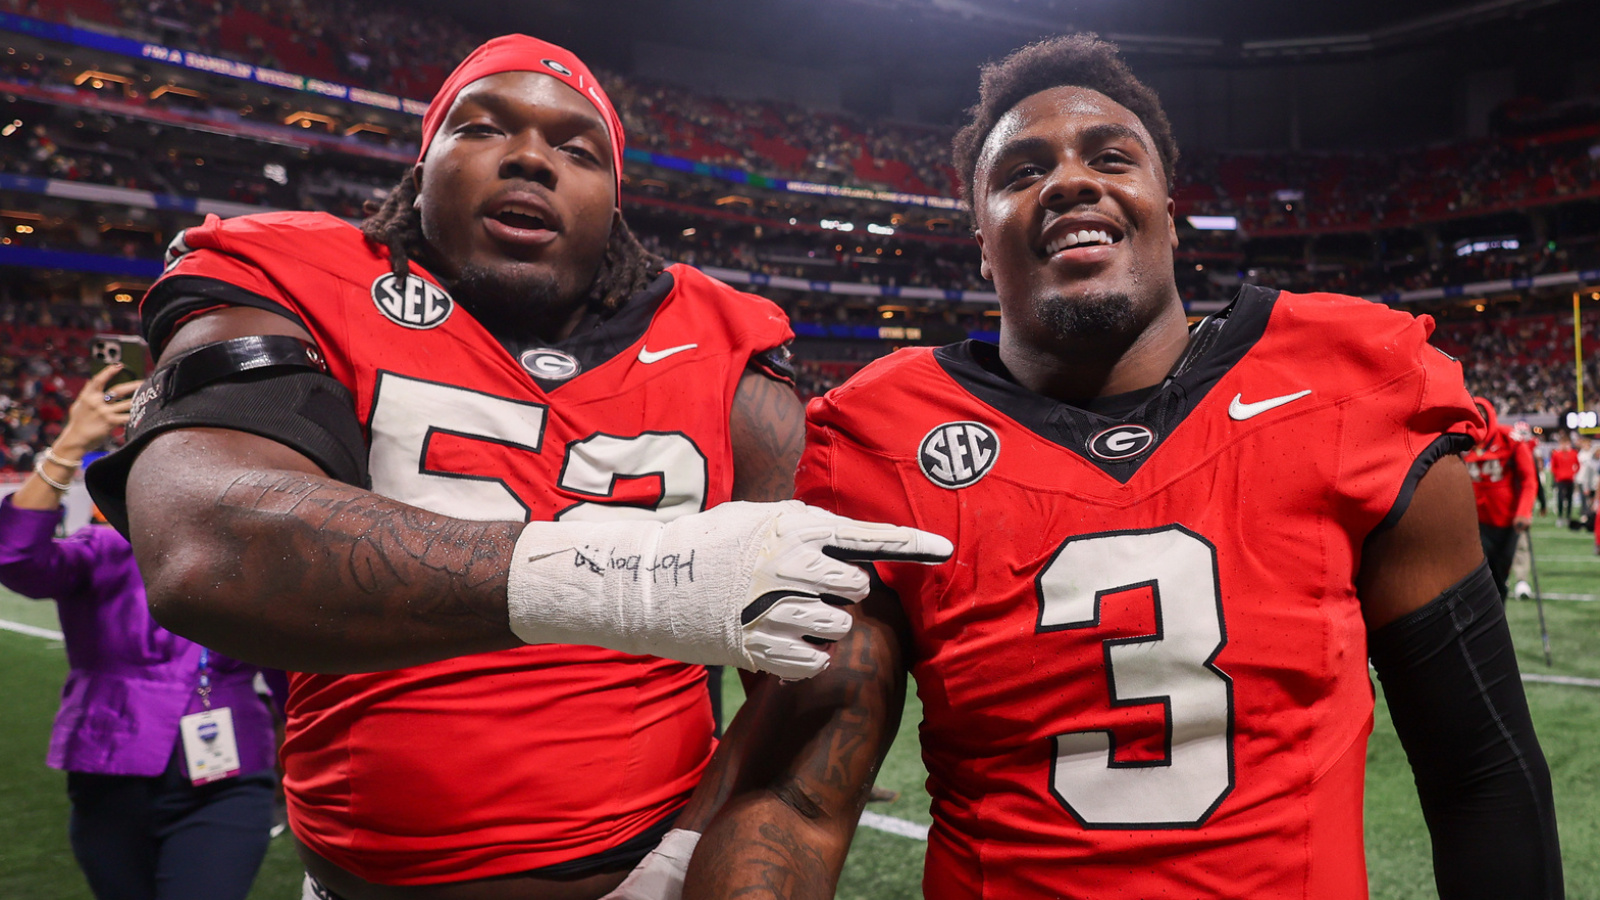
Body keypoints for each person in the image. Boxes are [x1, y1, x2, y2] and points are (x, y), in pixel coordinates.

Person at [682, 34, 1561, 900]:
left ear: (1168, 215)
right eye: (1021, 172)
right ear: (983, 243)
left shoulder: (1349, 380)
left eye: (1110, 157)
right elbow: (797, 800)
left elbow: (1481, 774)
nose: (1069, 180)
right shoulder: (880, 438)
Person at [83, 34, 948, 900]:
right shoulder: (294, 275)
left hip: (641, 863)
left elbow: (824, 656)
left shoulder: (723, 341)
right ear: (422, 166)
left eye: (578, 148)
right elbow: (205, 546)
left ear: (616, 203)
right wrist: (644, 583)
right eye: (483, 127)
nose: (531, 157)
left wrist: (692, 850)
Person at [0, 365, 281, 900]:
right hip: (109, 769)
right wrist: (70, 443)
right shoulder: (104, 551)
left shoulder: (254, 558)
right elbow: (15, 557)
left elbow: (294, 672)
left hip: (231, 775)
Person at [1464, 396, 1537, 600]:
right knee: (1479, 580)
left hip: (1507, 521)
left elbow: (1529, 479)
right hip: (1476, 522)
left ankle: (1500, 611)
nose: (1478, 419)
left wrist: (1523, 512)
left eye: (1481, 413)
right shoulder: (1462, 441)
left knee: (1499, 576)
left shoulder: (1509, 439)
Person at [1549, 430, 1578, 520]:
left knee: (1569, 498)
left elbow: (1578, 465)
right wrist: (1557, 475)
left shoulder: (1573, 453)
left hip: (1570, 479)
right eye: (1563, 443)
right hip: (1560, 479)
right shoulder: (1557, 454)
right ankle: (1560, 516)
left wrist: (1573, 473)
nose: (1565, 445)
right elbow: (1553, 466)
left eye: (1566, 443)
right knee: (1560, 498)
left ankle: (1568, 516)